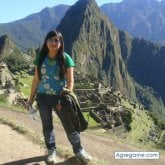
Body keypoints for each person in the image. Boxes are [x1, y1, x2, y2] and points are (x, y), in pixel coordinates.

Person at [28, 30, 92, 164]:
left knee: (69, 125)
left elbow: (70, 81)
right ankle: (51, 151)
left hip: (60, 98)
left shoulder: (66, 58)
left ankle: (79, 150)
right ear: (46, 42)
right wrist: (31, 98)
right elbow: (36, 79)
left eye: (57, 40)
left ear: (61, 43)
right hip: (43, 97)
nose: (53, 43)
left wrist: (67, 92)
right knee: (47, 126)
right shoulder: (40, 58)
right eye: (51, 40)